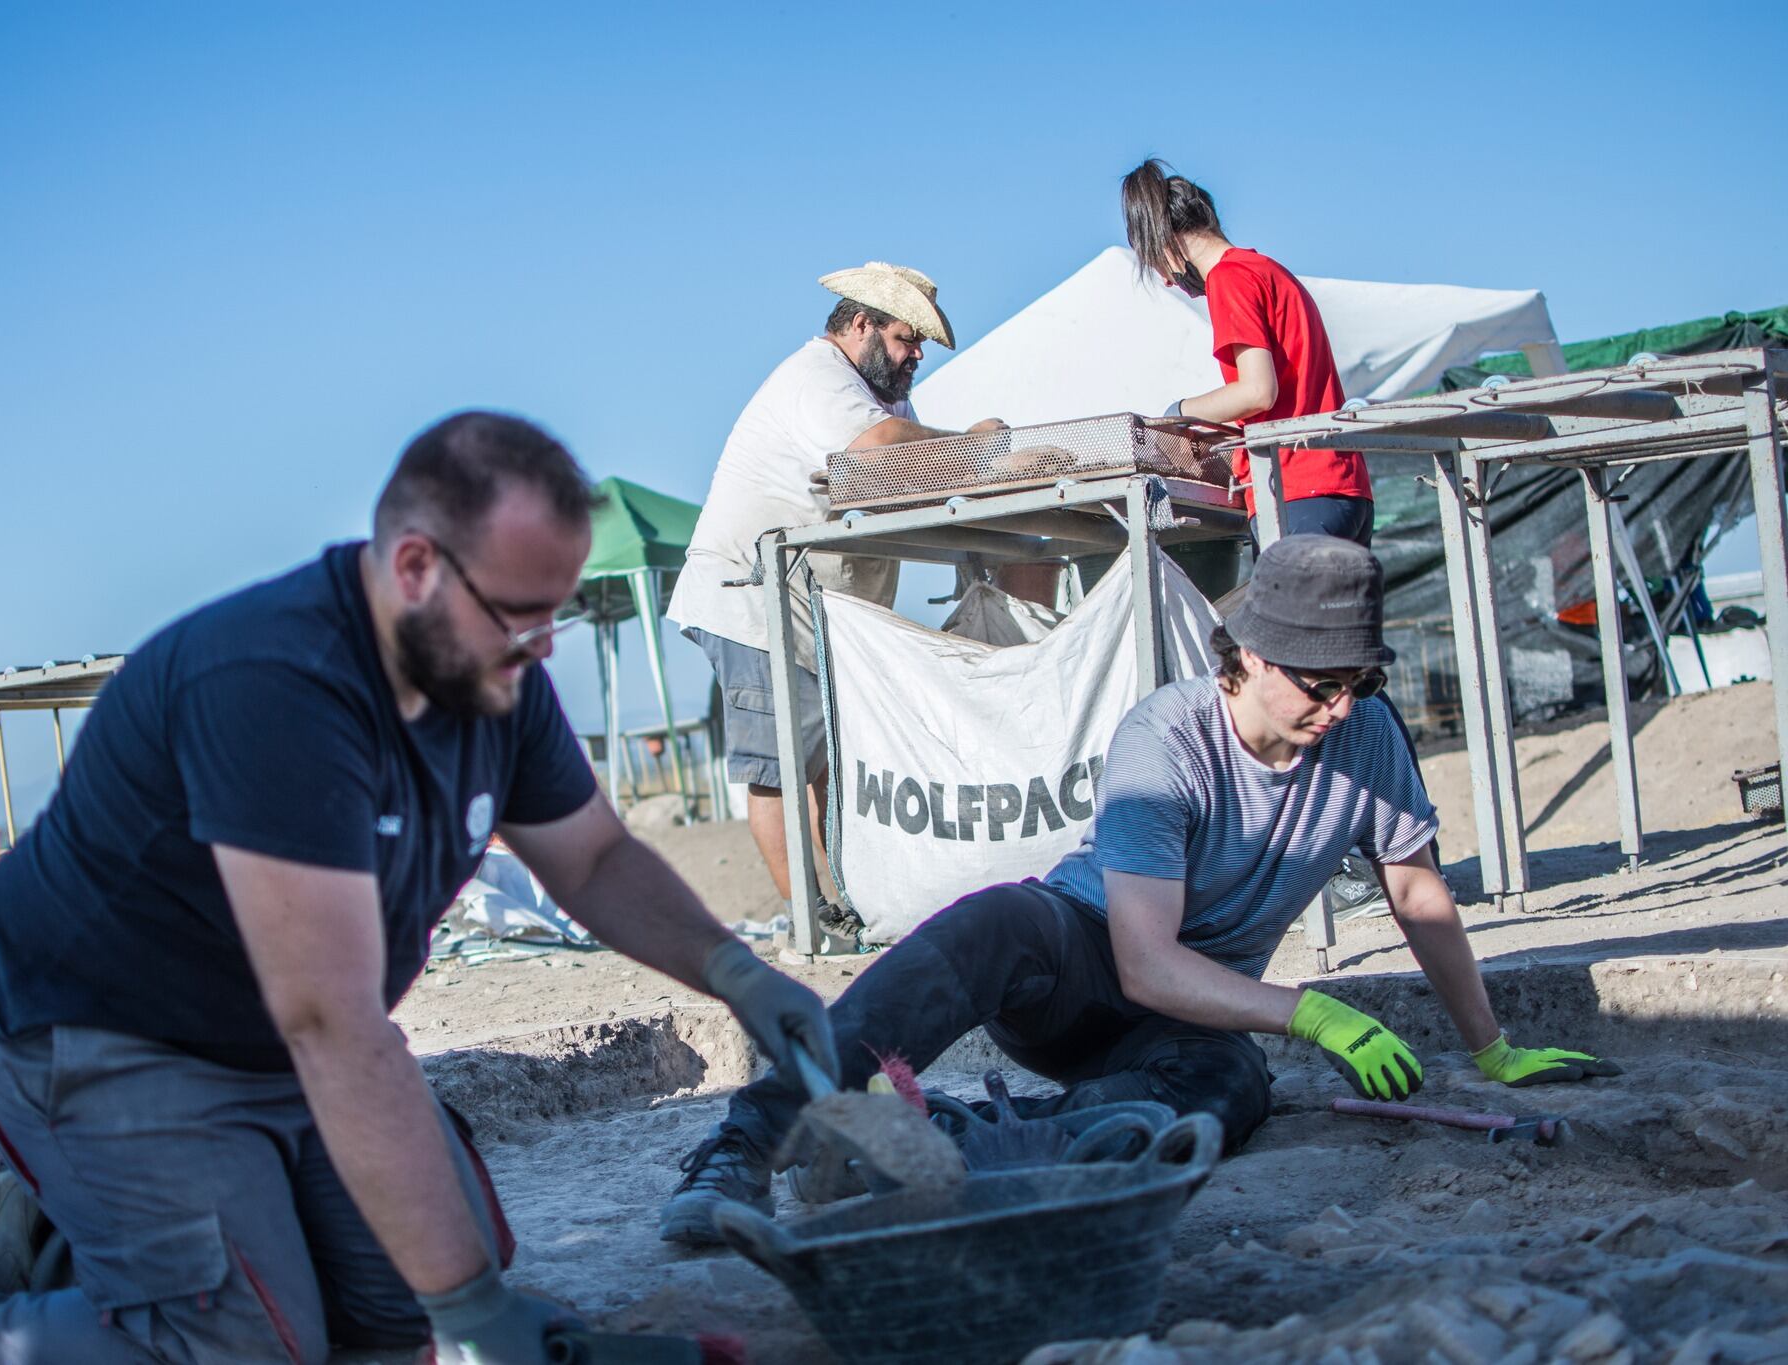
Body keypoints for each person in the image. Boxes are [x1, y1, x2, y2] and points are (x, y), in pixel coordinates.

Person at [0, 412, 838, 1365]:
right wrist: (473, 1314)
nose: (540, 649)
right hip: (104, 1034)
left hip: (277, 1035)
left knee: (400, 1301)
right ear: (415, 565)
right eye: (520, 617)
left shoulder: (489, 675)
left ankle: (82, 1253)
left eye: (551, 616)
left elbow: (595, 859)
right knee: (252, 1338)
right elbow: (334, 1028)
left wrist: (736, 973)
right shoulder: (272, 686)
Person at [658, 534, 1618, 1247]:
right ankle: (748, 1142)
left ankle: (970, 1145)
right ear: (1244, 656)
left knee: (1232, 1083)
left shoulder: (1367, 736)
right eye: (1317, 684)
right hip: (1081, 961)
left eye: (1355, 684)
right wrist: (1313, 1012)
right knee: (998, 921)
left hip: (1185, 1012)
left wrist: (1492, 1051)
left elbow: (1418, 895)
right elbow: (1143, 959)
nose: (1337, 708)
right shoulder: (1167, 738)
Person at [665, 263, 1007, 913]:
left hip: (803, 605)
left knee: (822, 758)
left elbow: (914, 475)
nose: (916, 355)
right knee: (781, 766)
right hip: (752, 599)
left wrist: (989, 467)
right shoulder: (819, 380)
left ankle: (842, 904)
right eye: (909, 338)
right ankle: (809, 923)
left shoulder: (885, 397)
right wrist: (976, 448)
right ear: (861, 324)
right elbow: (880, 454)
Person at [1122, 158, 1373, 546]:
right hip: (1343, 489)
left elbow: (1257, 391)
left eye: (1156, 264)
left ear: (1166, 242)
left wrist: (1178, 414)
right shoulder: (1266, 270)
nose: (1167, 281)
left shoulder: (1230, 277)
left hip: (1297, 490)